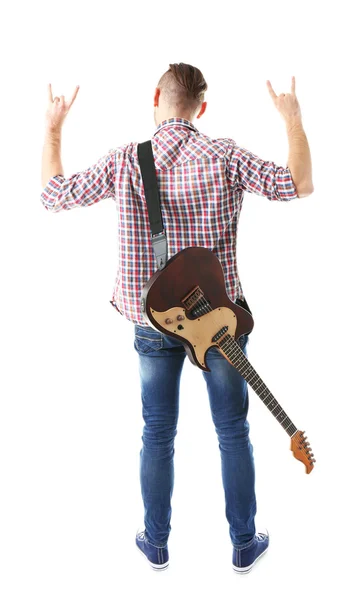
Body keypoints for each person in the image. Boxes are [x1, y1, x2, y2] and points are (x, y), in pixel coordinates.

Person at [41, 63, 314, 573]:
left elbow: (53, 194)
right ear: (201, 108)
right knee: (232, 429)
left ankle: (157, 543)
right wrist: (292, 120)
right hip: (219, 325)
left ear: (156, 97)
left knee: (157, 432)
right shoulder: (225, 154)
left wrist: (54, 129)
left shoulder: (126, 160)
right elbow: (299, 183)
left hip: (152, 325)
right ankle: (243, 543)